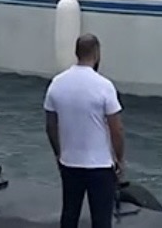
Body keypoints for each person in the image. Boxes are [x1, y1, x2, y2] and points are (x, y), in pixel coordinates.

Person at [44, 34, 125, 228]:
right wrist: (120, 158)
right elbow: (116, 129)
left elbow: (50, 125)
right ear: (96, 53)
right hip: (100, 165)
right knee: (101, 219)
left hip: (70, 162)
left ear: (76, 53)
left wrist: (58, 153)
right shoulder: (104, 86)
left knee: (69, 214)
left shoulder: (57, 83)